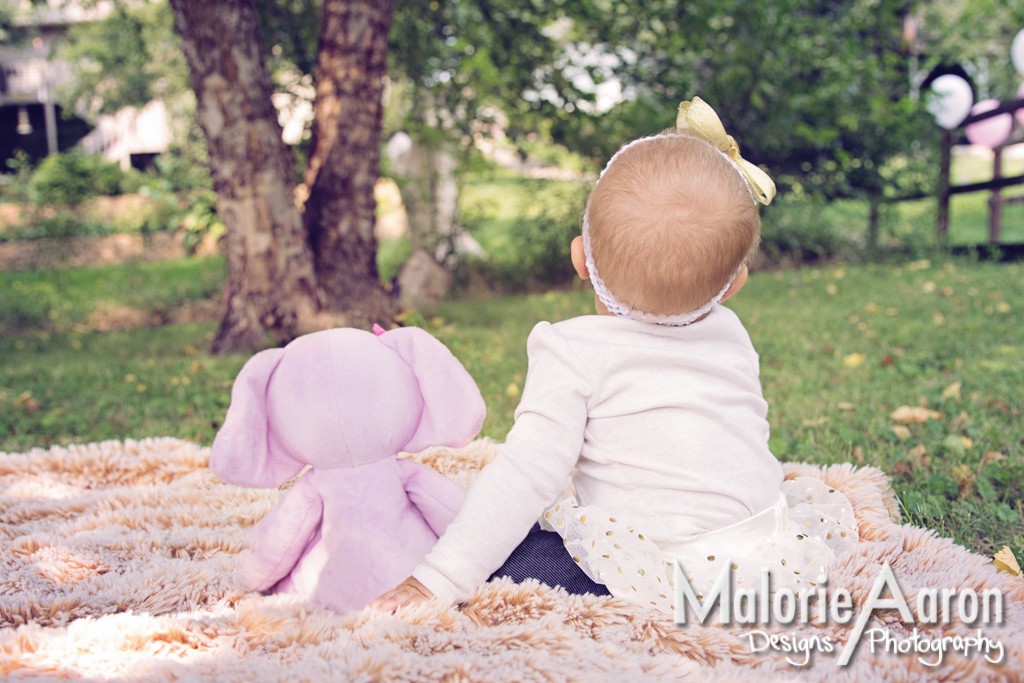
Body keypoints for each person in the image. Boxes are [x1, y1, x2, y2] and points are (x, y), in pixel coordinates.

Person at [372, 98, 858, 615]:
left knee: (521, 554)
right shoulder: (731, 333)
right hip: (767, 549)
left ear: (581, 258)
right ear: (735, 284)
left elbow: (526, 474)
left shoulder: (572, 350)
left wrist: (440, 576)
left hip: (665, 569)